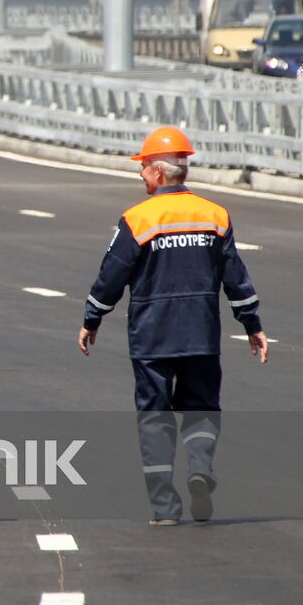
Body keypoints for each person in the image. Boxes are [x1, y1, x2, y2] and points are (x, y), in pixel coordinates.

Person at [79, 125, 267, 526]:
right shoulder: (215, 215)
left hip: (152, 338)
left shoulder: (137, 219)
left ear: (159, 173)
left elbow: (111, 276)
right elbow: (236, 277)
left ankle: (165, 509)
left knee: (154, 417)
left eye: (143, 168)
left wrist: (92, 317)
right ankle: (199, 469)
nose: (141, 175)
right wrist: (252, 324)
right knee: (201, 409)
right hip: (201, 334)